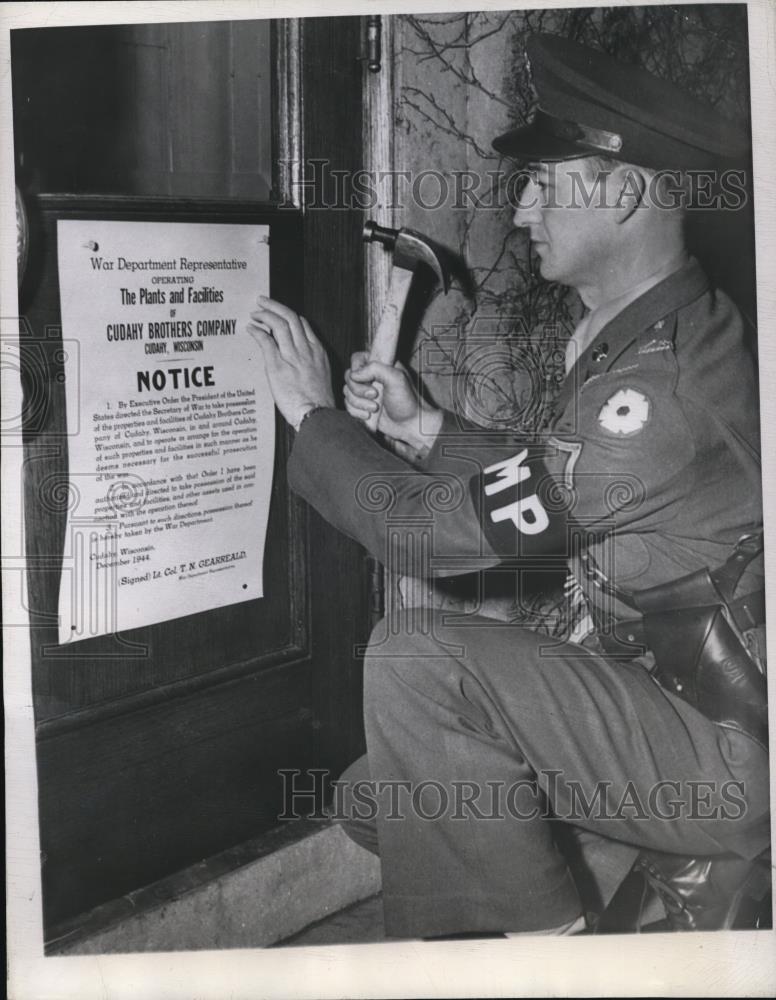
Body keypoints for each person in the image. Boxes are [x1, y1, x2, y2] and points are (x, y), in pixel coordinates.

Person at [248, 34, 770, 937]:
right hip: (675, 699)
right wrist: (426, 430)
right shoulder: (665, 328)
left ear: (625, 188)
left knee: (414, 660)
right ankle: (626, 867)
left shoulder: (656, 399)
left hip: (730, 756)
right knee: (378, 794)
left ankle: (544, 957)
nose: (522, 208)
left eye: (542, 181)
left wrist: (311, 416)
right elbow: (565, 483)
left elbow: (427, 535)